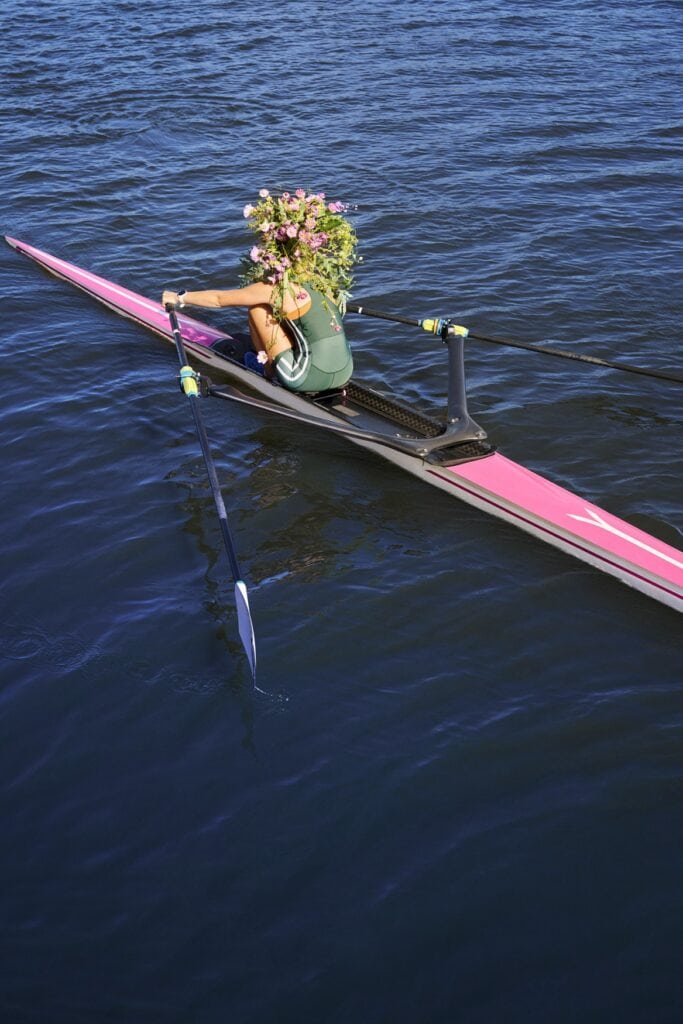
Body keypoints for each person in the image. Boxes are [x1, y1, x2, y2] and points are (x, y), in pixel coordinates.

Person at [162, 189, 358, 393]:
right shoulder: (322, 283)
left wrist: (179, 297)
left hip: (305, 378)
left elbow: (220, 299)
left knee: (258, 309)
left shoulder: (276, 289)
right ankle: (297, 359)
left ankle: (265, 370)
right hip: (346, 371)